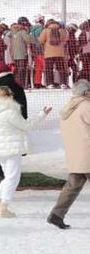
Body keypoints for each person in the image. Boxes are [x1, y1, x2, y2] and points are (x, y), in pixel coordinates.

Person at [0, 86, 51, 218]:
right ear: (8, 96)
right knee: (13, 178)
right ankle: (4, 208)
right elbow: (27, 126)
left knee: (8, 177)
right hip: (12, 148)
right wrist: (42, 115)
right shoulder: (10, 111)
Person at [47, 80, 90, 229]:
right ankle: (56, 215)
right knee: (73, 186)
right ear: (86, 92)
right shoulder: (86, 106)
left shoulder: (68, 108)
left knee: (72, 186)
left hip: (76, 156)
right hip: (88, 154)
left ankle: (56, 215)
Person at [39, 19, 70, 88]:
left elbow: (40, 40)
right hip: (60, 53)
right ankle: (63, 83)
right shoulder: (61, 30)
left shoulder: (45, 30)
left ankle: (50, 84)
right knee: (61, 69)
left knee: (49, 69)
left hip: (48, 54)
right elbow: (66, 38)